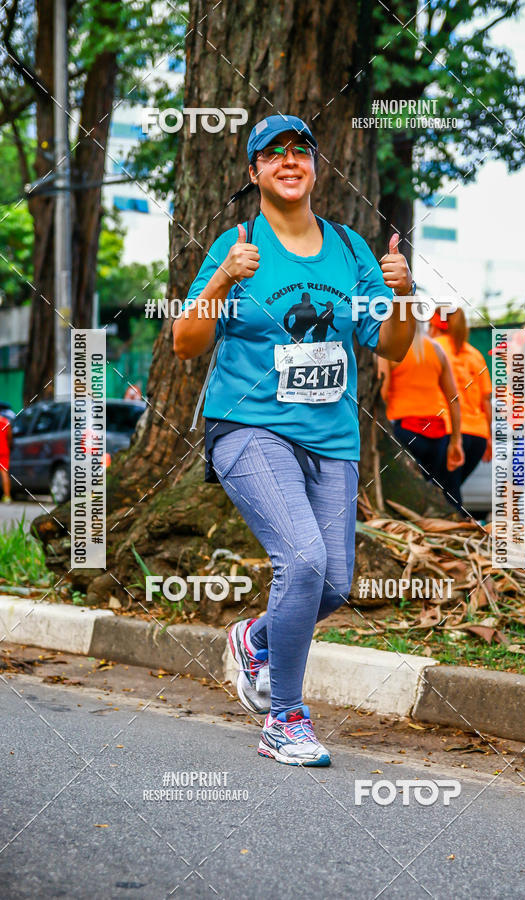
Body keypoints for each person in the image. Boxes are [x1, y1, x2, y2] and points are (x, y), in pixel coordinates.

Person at [173, 113, 416, 766]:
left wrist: (404, 297)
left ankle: (254, 638)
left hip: (331, 439)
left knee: (332, 583)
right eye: (272, 153)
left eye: (300, 150)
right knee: (302, 561)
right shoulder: (240, 241)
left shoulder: (347, 247)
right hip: (248, 430)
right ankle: (285, 719)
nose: (288, 160)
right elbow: (184, 343)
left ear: (315, 166)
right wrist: (224, 278)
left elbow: (389, 343)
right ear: (254, 172)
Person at [377, 322, 464, 508]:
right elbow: (454, 399)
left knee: (409, 489)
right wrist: (456, 441)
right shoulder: (436, 349)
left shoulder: (389, 349)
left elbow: (381, 393)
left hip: (406, 430)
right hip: (438, 433)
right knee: (437, 488)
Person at [430, 306, 492, 512]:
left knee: (448, 491)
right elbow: (486, 403)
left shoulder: (434, 348)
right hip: (478, 436)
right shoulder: (475, 355)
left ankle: (454, 528)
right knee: (449, 488)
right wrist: (490, 439)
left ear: (434, 324)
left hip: (449, 433)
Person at [0, 413, 12, 503]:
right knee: (4, 473)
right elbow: (9, 437)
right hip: (4, 450)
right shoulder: (5, 421)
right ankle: (7, 496)